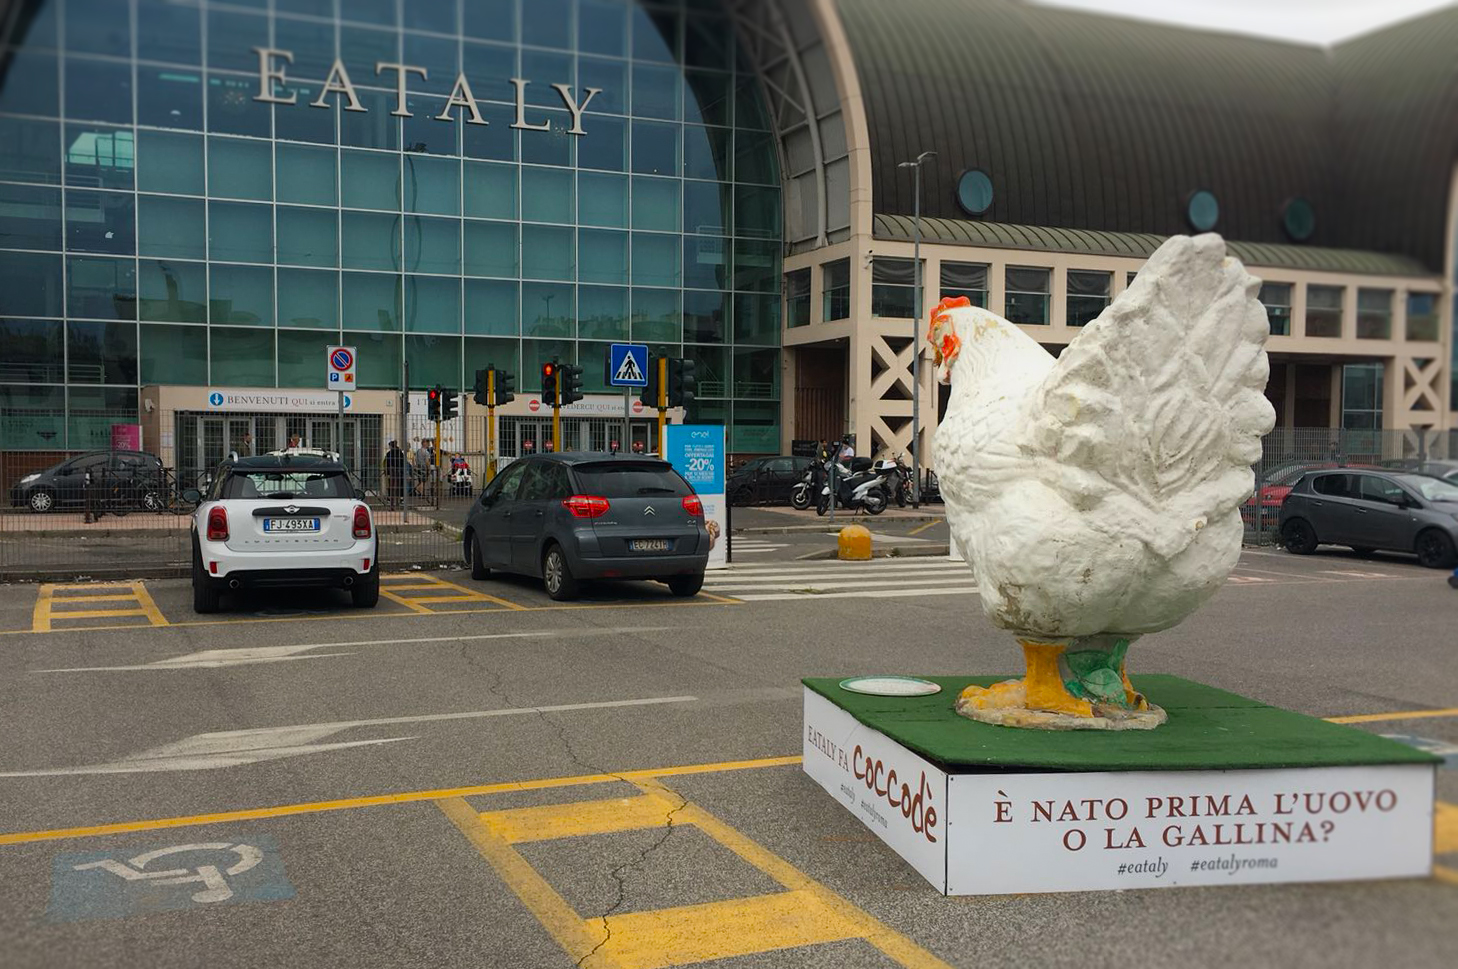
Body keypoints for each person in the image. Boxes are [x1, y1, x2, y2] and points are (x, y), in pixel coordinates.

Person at [383, 440, 406, 508]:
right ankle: (398, 501)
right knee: (398, 487)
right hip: (399, 471)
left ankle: (392, 503)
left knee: (392, 487)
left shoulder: (389, 453)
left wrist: (387, 472)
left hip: (392, 471)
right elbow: (403, 462)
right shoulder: (400, 453)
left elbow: (387, 463)